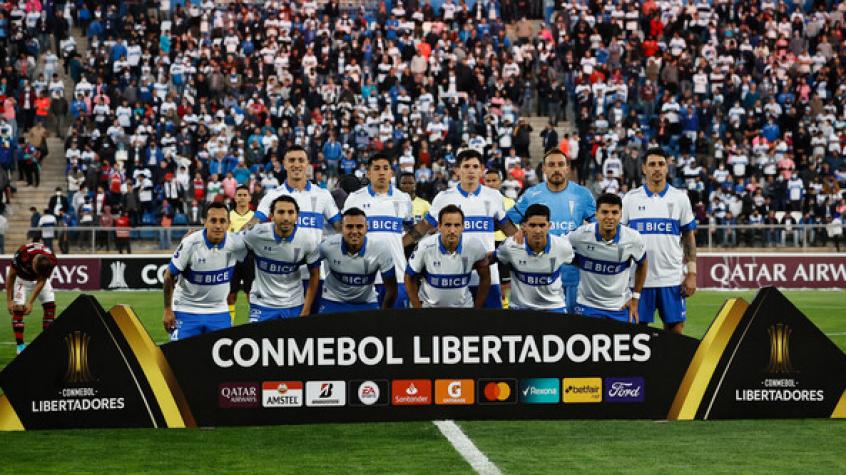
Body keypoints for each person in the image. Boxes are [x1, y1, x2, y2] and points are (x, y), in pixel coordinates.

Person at [403, 149, 517, 308]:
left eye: (475, 166)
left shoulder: (494, 196)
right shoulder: (444, 197)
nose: (471, 170)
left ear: (482, 169)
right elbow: (423, 228)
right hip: (454, 279)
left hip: (487, 277)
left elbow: (509, 230)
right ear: (457, 169)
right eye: (466, 166)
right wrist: (399, 244)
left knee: (490, 328)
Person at [252, 146, 342, 312]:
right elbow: (253, 224)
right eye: (291, 160)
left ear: (307, 164)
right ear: (284, 164)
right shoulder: (272, 195)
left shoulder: (322, 195)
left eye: (301, 160)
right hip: (283, 278)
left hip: (315, 275)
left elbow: (341, 228)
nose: (296, 164)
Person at [506, 149, 596, 314]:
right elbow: (508, 221)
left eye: (560, 164)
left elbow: (598, 226)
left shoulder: (583, 195)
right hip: (540, 273)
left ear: (567, 168)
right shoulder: (532, 194)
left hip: (573, 272)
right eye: (551, 165)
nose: (556, 169)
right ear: (544, 169)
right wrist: (518, 234)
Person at [622, 148, 697, 334]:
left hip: (671, 279)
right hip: (638, 281)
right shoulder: (630, 199)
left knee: (676, 331)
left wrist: (692, 273)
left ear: (667, 168)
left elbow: (688, 236)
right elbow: (621, 240)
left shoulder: (680, 198)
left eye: (661, 164)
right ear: (644, 169)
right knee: (636, 333)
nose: (657, 168)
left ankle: (672, 364)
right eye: (652, 164)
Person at [162, 202, 247, 341]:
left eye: (222, 221)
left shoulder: (236, 243)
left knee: (224, 359)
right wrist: (167, 310)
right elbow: (168, 275)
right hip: (186, 309)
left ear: (228, 223)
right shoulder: (190, 243)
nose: (218, 226)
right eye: (213, 220)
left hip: (219, 310)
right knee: (178, 358)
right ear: (204, 222)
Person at [342, 154, 413, 308]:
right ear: (368, 173)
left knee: (396, 329)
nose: (381, 172)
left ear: (391, 173)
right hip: (363, 278)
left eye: (385, 168)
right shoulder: (354, 199)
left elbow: (410, 229)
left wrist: (398, 246)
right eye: (376, 168)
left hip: (397, 277)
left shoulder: (403, 199)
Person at [569, 193, 648, 324]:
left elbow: (643, 263)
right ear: (596, 214)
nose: (610, 217)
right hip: (587, 306)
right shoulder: (580, 235)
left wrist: (635, 297)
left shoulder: (633, 238)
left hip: (620, 306)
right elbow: (558, 247)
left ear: (621, 215)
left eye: (614, 212)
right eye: (604, 212)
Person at [242, 195, 321, 321]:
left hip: (293, 304)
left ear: (297, 216)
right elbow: (233, 246)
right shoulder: (256, 234)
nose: (286, 218)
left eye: (290, 212)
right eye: (281, 212)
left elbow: (315, 275)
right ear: (272, 216)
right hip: (262, 304)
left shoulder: (307, 240)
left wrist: (306, 310)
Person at [494, 204, 575, 313]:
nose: (537, 230)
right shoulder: (511, 246)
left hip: (554, 307)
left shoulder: (562, 247)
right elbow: (491, 259)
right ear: (523, 226)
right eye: (532, 225)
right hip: (520, 308)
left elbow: (578, 259)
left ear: (549, 226)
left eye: (542, 225)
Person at [406, 205, 490, 309]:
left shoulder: (474, 246)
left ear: (463, 227)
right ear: (439, 226)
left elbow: (486, 277)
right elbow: (409, 277)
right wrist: (417, 308)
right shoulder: (425, 246)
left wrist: (477, 308)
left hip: (464, 309)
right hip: (429, 310)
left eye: (457, 225)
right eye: (448, 225)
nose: (452, 230)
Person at [319, 207, 397, 313]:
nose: (354, 231)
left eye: (359, 226)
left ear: (366, 228)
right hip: (333, 300)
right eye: (349, 227)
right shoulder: (328, 245)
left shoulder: (381, 249)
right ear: (342, 228)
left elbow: (391, 289)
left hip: (366, 302)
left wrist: (383, 316)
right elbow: (308, 260)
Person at [6, 242, 58, 354]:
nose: (36, 274)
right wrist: (9, 300)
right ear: (33, 262)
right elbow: (11, 276)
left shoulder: (51, 259)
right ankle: (20, 346)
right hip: (22, 280)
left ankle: (47, 344)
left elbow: (41, 280)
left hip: (41, 282)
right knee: (18, 308)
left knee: (50, 307)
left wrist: (30, 302)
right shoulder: (21, 256)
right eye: (36, 270)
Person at [227, 185, 255, 322]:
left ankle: (253, 323)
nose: (242, 198)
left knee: (251, 293)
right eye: (239, 195)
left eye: (245, 195)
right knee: (230, 295)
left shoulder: (255, 217)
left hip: (250, 258)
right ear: (235, 197)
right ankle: (229, 325)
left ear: (249, 197)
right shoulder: (228, 217)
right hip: (232, 259)